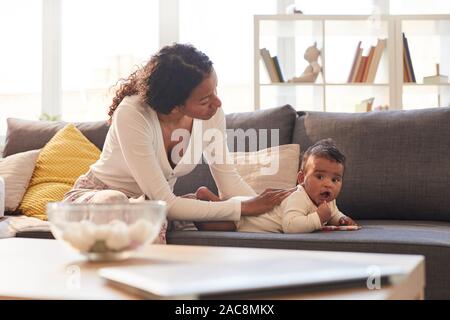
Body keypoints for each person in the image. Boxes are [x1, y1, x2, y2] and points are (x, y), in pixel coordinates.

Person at [63, 43, 292, 243]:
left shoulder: (211, 115)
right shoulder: (132, 113)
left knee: (153, 211)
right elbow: (163, 201)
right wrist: (243, 207)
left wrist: (280, 212)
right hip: (98, 200)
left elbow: (229, 181)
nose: (218, 103)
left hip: (153, 206)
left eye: (215, 90)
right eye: (205, 99)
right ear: (173, 105)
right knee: (126, 204)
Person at [195, 139, 357, 233]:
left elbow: (333, 213)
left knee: (221, 210)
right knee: (211, 225)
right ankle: (203, 203)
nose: (328, 184)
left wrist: (341, 219)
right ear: (301, 178)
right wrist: (318, 218)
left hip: (243, 209)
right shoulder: (298, 197)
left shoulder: (328, 200)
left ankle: (210, 200)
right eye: (320, 176)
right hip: (244, 218)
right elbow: (290, 226)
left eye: (335, 180)